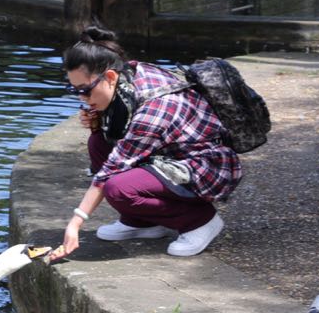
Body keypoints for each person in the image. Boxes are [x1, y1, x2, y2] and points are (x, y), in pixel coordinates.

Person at [47, 25, 240, 261]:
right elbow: (122, 126)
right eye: (74, 90)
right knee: (98, 143)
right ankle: (141, 221)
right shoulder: (129, 73)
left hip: (207, 166)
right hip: (174, 157)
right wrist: (100, 118)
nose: (82, 98)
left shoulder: (154, 105)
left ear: (109, 77)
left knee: (118, 188)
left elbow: (111, 169)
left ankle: (199, 222)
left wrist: (75, 222)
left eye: (85, 90)